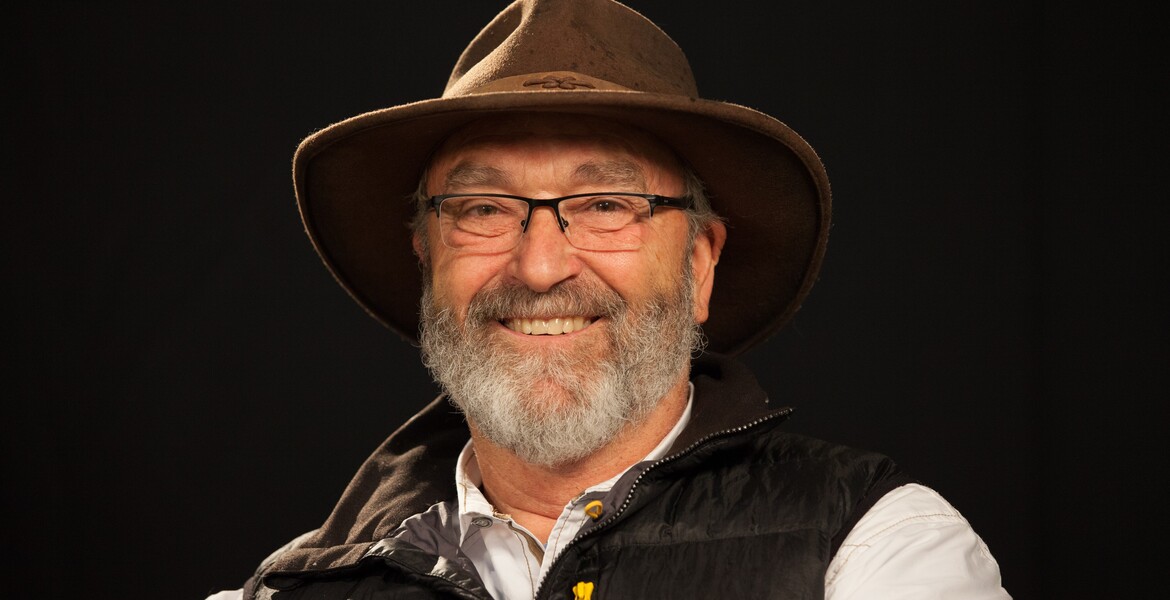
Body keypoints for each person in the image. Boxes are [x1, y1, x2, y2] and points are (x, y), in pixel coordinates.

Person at [210, 0, 1010, 598]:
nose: (540, 267)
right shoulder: (291, 589)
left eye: (605, 204)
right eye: (483, 208)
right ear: (428, 259)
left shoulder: (877, 550)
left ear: (699, 263)